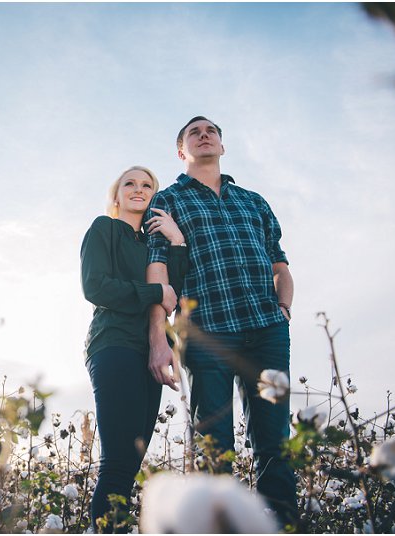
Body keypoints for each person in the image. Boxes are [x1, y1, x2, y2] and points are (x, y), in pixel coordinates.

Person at [145, 116, 297, 527]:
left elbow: (278, 262)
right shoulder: (168, 200)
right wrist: (159, 335)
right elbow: (157, 268)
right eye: (193, 133)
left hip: (266, 332)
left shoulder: (253, 200)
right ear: (182, 151)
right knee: (215, 445)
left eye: (211, 130)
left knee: (274, 443)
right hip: (206, 333)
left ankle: (282, 527)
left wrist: (283, 310)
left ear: (222, 146)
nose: (204, 135)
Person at [80, 166, 188, 532]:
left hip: (150, 353)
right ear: (117, 194)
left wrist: (177, 242)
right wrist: (153, 293)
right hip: (113, 345)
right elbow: (96, 286)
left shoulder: (153, 246)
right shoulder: (104, 229)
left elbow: (177, 292)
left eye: (147, 185)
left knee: (131, 463)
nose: (138, 189)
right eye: (130, 183)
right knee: (116, 462)